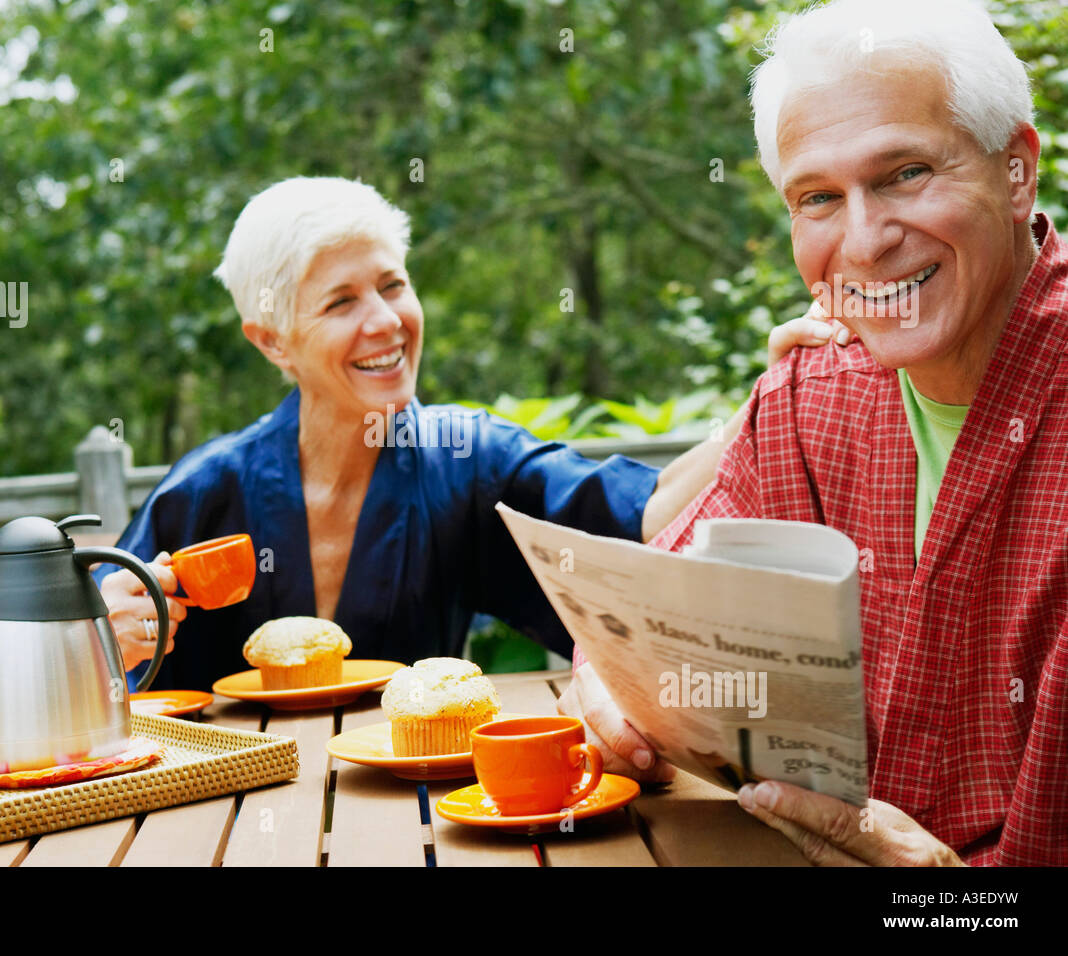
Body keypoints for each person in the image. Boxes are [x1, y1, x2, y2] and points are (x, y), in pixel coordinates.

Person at [562, 0, 1067, 866]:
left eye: (906, 173)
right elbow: (644, 615)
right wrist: (612, 686)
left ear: (1017, 169)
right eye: (819, 198)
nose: (864, 242)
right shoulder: (809, 394)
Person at [95, 177, 840, 693]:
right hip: (225, 828)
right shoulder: (204, 490)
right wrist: (107, 635)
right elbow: (89, 650)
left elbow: (642, 517)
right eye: (341, 302)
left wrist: (763, 401)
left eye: (393, 285)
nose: (385, 321)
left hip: (417, 821)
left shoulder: (467, 462)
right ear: (274, 342)